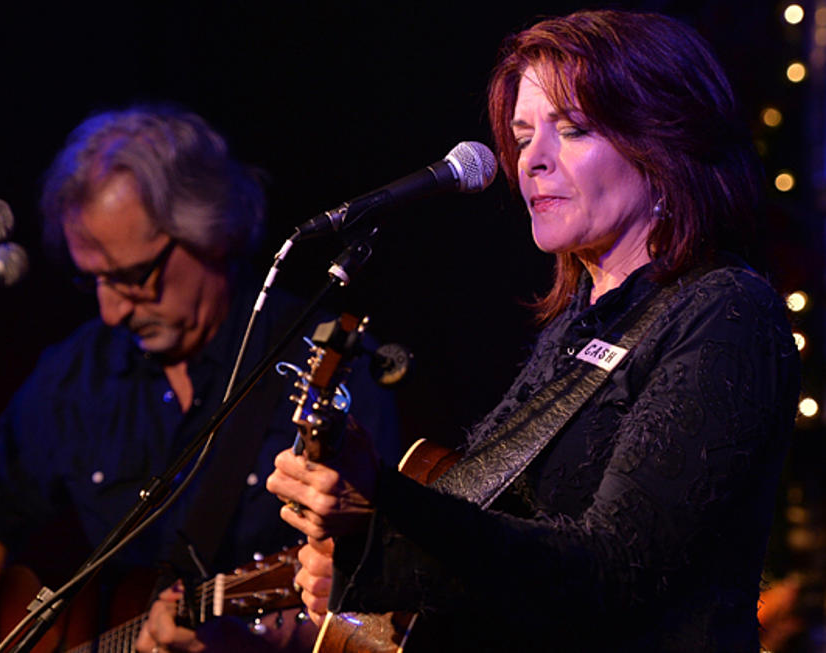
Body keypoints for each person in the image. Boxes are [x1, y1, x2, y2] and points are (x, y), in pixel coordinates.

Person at [265, 9, 801, 652]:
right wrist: (366, 552)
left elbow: (611, 573)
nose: (531, 162)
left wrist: (381, 511)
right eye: (522, 137)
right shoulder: (580, 320)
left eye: (572, 130)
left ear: (664, 144)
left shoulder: (728, 314)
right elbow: (502, 547)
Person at [0, 106, 399, 653]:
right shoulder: (77, 376)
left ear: (212, 229)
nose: (111, 311)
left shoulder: (326, 364)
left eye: (132, 277)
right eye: (94, 281)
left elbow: (380, 593)